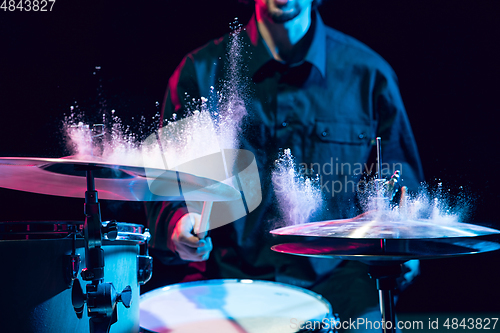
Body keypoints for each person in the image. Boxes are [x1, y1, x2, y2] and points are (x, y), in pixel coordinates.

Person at [145, 0, 424, 331]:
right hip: (226, 278)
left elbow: (401, 191)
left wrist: (402, 236)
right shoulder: (200, 71)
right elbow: (165, 186)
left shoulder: (369, 75)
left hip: (341, 284)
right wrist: (177, 225)